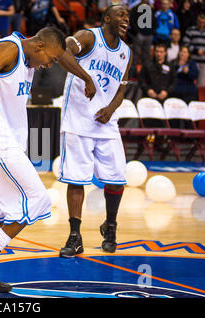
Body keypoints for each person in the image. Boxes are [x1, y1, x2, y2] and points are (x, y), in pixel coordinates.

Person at [0, 26, 95, 297]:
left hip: (3, 139)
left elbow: (63, 53)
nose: (50, 65)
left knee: (0, 210)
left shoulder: (31, 55)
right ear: (39, 47)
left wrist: (85, 76)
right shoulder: (7, 49)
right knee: (39, 201)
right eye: (51, 60)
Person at [57, 5, 132, 257]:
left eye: (128, 17)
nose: (126, 19)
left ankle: (110, 227)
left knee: (117, 177)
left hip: (106, 122)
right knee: (77, 179)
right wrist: (86, 78)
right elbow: (61, 51)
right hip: (78, 120)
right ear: (107, 18)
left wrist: (111, 108)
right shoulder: (88, 37)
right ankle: (75, 236)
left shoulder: (126, 52)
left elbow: (122, 88)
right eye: (121, 15)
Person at [182, 13, 205, 86]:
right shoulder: (191, 30)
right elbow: (185, 44)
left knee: (201, 84)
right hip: (192, 61)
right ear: (197, 21)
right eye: (199, 22)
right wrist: (196, 50)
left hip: (203, 62)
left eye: (203, 22)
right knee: (190, 82)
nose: (201, 24)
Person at [129, 0, 157, 77]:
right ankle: (131, 74)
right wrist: (137, 32)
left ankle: (144, 74)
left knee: (147, 55)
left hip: (149, 35)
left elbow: (154, 21)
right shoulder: (135, 8)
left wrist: (152, 31)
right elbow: (132, 21)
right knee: (135, 54)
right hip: (139, 35)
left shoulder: (150, 9)